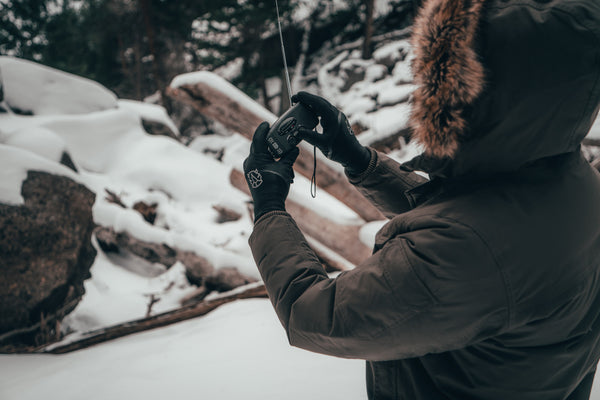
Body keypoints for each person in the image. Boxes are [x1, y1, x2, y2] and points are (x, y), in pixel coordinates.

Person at [243, 0, 600, 398]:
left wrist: (269, 205)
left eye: (440, 81)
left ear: (488, 94)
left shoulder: (465, 253)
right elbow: (475, 224)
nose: (426, 93)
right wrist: (360, 160)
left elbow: (311, 314)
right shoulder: (575, 181)